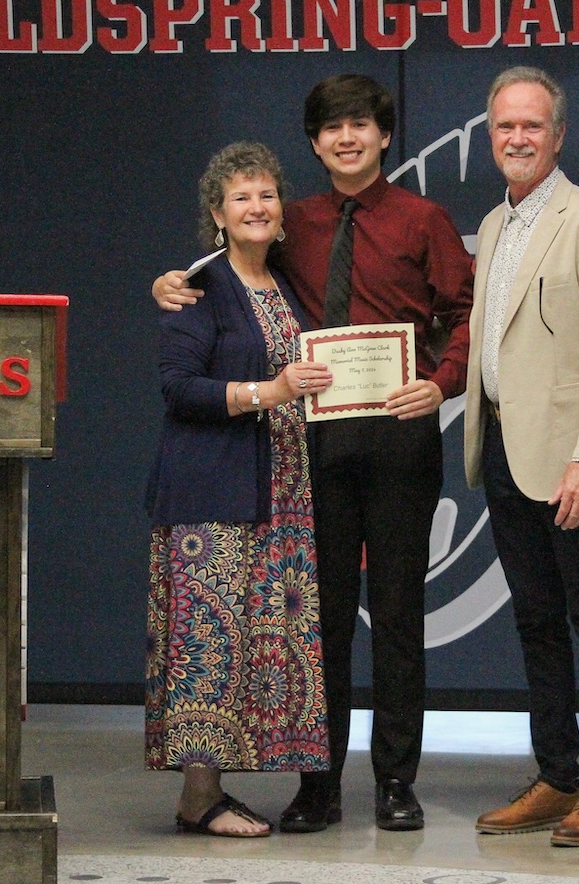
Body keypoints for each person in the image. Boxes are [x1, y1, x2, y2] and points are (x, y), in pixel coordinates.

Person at [154, 74, 474, 832]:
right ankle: (318, 786)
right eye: (331, 129)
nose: (347, 138)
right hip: (312, 446)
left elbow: (462, 315)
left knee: (398, 617)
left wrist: (442, 385)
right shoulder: (291, 220)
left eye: (360, 125)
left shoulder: (424, 219)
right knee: (316, 623)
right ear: (314, 142)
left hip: (399, 435)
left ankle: (396, 783)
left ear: (385, 134)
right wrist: (169, 282)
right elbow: (220, 269)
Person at [463, 66, 579, 847]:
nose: (518, 138)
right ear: (489, 136)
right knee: (536, 621)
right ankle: (555, 774)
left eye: (532, 125)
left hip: (568, 463)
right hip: (501, 446)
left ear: (558, 136)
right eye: (505, 126)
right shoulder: (494, 225)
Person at [145, 142, 333, 838]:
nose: (257, 207)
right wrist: (271, 390)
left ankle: (214, 790)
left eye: (266, 195)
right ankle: (198, 797)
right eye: (241, 197)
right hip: (210, 492)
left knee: (251, 647)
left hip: (280, 492)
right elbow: (178, 387)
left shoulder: (283, 282)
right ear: (217, 215)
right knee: (209, 644)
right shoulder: (199, 284)